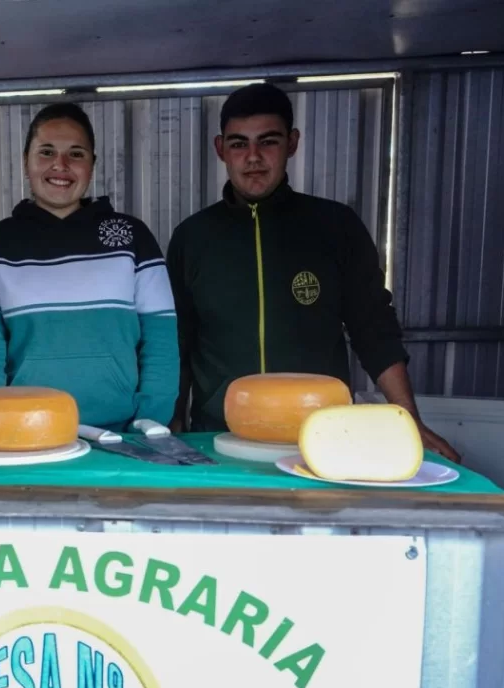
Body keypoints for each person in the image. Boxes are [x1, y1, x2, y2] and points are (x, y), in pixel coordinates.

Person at [166, 83, 460, 462]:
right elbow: (178, 343)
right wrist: (172, 425)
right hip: (220, 436)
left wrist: (410, 420)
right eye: (239, 144)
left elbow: (374, 329)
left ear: (292, 143)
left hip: (322, 438)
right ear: (221, 149)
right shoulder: (193, 237)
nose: (252, 157)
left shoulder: (335, 226)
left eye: (267, 142)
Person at [0, 102, 178, 430]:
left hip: (122, 436)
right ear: (26, 162)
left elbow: (161, 342)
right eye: (46, 152)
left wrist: (149, 425)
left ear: (93, 163)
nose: (60, 165)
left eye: (76, 154)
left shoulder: (133, 239)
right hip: (26, 436)